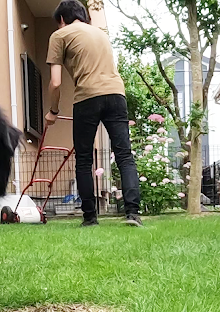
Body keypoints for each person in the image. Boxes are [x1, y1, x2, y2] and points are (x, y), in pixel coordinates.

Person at [45, 0, 142, 227]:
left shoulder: (59, 35)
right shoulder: (100, 34)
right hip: (116, 94)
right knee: (124, 156)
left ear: (62, 19)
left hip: (87, 97)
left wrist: (53, 111)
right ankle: (132, 214)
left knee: (84, 159)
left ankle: (90, 218)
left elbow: (56, 83)